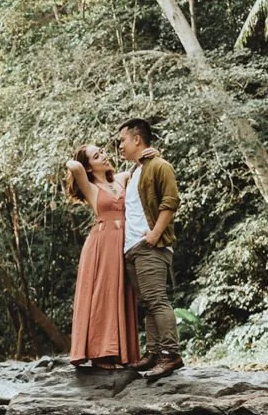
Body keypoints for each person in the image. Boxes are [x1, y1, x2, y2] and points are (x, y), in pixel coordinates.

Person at [116, 117, 183, 378]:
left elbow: (171, 201)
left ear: (136, 139)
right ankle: (154, 352)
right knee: (147, 303)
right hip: (132, 248)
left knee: (157, 300)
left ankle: (170, 354)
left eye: (122, 140)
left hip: (150, 246)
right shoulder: (135, 172)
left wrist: (155, 234)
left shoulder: (159, 166)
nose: (119, 146)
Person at [63, 143, 140, 368]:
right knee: (103, 295)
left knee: (122, 293)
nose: (104, 156)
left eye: (103, 152)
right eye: (97, 156)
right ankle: (100, 353)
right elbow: (74, 165)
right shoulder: (90, 186)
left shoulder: (122, 178)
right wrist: (78, 158)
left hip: (124, 241)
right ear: (89, 167)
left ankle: (121, 354)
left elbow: (142, 169)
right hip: (102, 244)